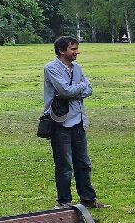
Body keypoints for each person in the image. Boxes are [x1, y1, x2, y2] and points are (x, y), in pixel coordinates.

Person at [43, 36, 101, 208]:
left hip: (79, 120)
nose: (77, 52)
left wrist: (76, 90)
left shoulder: (77, 68)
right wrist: (80, 88)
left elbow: (89, 89)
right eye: (73, 49)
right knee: (64, 165)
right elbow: (65, 91)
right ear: (62, 51)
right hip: (60, 123)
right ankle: (64, 203)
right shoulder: (50, 68)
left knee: (83, 163)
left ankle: (88, 200)